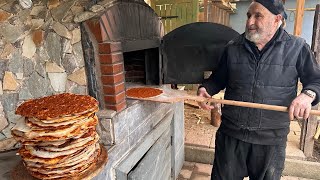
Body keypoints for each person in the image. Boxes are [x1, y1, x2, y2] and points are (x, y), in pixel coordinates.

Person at [197, 0, 320, 179]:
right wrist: (205, 89)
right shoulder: (233, 47)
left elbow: (316, 81)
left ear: (277, 19)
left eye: (258, 16)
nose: (249, 22)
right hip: (232, 134)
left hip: (270, 139)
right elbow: (218, 79)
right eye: (248, 15)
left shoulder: (297, 47)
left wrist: (307, 95)